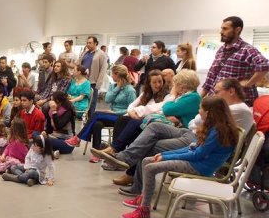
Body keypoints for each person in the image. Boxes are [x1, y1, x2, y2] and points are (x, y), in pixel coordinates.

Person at [106, 77, 254, 196]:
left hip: (196, 140)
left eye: (217, 91)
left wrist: (166, 155)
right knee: (153, 126)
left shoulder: (235, 110)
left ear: (231, 91)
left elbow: (196, 121)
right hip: (191, 134)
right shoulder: (224, 108)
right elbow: (194, 121)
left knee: (150, 145)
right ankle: (124, 157)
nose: (214, 94)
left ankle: (137, 184)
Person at [121, 96, 239, 218]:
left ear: (209, 113)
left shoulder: (218, 132)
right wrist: (164, 154)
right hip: (196, 162)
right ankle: (143, 198)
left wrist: (166, 156)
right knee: (147, 160)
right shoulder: (215, 127)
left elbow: (196, 155)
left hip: (200, 167)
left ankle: (144, 210)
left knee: (150, 167)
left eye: (201, 109)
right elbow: (191, 148)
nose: (199, 111)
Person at [91, 70, 169, 159]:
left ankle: (112, 149)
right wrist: (131, 111)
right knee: (105, 122)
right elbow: (112, 101)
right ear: (149, 83)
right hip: (130, 115)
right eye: (154, 82)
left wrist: (134, 111)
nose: (158, 84)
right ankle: (113, 151)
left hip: (144, 119)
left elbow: (157, 109)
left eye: (160, 81)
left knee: (97, 115)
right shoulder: (145, 94)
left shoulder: (166, 96)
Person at [65, 65, 137, 160]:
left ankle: (78, 138)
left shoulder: (130, 90)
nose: (111, 76)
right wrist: (118, 88)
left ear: (117, 75)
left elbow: (132, 109)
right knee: (97, 124)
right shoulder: (113, 86)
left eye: (112, 74)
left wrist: (115, 112)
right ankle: (97, 153)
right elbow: (107, 100)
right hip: (111, 116)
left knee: (96, 114)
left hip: (122, 118)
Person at [202, 16, 269, 106]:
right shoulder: (221, 50)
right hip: (219, 100)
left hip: (237, 102)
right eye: (221, 28)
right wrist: (201, 97)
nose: (221, 32)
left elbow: (264, 66)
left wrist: (248, 83)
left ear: (237, 30)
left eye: (225, 29)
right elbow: (212, 75)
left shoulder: (247, 49)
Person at [43, 91, 76, 156]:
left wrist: (54, 111)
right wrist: (45, 132)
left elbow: (58, 126)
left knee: (44, 140)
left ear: (58, 102)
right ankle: (53, 152)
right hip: (55, 137)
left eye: (53, 100)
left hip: (67, 142)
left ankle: (50, 151)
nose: (51, 102)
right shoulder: (51, 110)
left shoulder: (68, 111)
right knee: (37, 135)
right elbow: (49, 129)